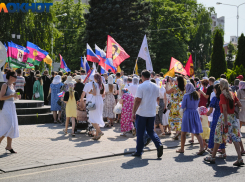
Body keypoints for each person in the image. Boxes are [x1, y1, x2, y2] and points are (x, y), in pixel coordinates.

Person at [204, 79, 243, 166]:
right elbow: (240, 104)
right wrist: (233, 106)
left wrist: (225, 121)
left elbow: (224, 109)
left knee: (218, 137)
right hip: (232, 117)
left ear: (221, 86)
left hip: (224, 118)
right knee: (235, 137)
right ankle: (240, 158)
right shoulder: (232, 94)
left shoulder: (222, 95)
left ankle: (213, 157)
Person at [131, 70, 163, 158]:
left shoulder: (141, 86)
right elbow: (157, 99)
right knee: (150, 131)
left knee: (140, 133)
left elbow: (137, 100)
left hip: (142, 112)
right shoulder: (156, 86)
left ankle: (139, 151)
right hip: (151, 112)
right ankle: (158, 144)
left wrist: (133, 112)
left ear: (142, 76)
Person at [176, 83, 204, 154]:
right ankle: (202, 148)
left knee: (183, 133)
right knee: (197, 133)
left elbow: (183, 106)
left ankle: (182, 149)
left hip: (187, 114)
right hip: (195, 113)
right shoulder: (197, 95)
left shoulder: (186, 95)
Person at [0, 70, 20, 153]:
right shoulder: (5, 85)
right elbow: (1, 97)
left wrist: (16, 96)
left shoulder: (12, 85)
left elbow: (12, 97)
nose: (16, 78)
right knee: (9, 126)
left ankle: (9, 146)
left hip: (11, 106)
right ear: (10, 77)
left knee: (13, 126)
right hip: (5, 107)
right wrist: (12, 95)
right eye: (15, 76)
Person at [80, 73, 105, 140]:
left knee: (91, 118)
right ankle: (97, 135)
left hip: (95, 100)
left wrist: (90, 92)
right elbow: (103, 94)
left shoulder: (94, 84)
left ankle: (99, 132)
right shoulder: (101, 84)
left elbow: (94, 93)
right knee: (97, 117)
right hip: (100, 101)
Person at [206, 83, 225, 154]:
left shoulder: (214, 99)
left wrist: (206, 114)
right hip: (222, 116)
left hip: (216, 117)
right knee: (220, 134)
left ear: (216, 90)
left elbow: (210, 111)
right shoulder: (223, 98)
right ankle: (223, 152)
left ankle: (212, 149)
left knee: (213, 133)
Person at [166, 76, 186, 140]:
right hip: (181, 105)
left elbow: (167, 91)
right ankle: (177, 132)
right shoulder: (184, 87)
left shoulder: (175, 87)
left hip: (174, 106)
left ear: (177, 81)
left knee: (173, 119)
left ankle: (177, 132)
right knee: (179, 119)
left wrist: (167, 84)